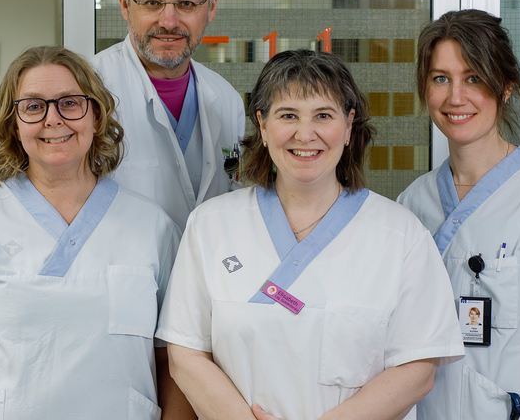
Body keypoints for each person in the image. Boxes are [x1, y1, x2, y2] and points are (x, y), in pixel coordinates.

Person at [159, 49, 463, 420]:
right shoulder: (211, 225)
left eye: (323, 115)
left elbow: (418, 369)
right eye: (288, 115)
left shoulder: (401, 235)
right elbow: (186, 354)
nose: (306, 134)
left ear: (349, 126)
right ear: (263, 125)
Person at [0, 46, 188, 419]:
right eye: (34, 107)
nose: (53, 119)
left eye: (70, 103)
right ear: (13, 125)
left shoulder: (152, 228)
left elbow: (176, 362)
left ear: (96, 116)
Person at [397, 9, 520, 420]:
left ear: (506, 87)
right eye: (441, 78)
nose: (456, 97)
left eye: (474, 78)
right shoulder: (412, 203)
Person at [93, 0, 245, 230]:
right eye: (152, 2)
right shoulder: (87, 90)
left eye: (186, 3)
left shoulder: (226, 98)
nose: (169, 20)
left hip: (208, 273)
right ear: (125, 4)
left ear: (211, 7)